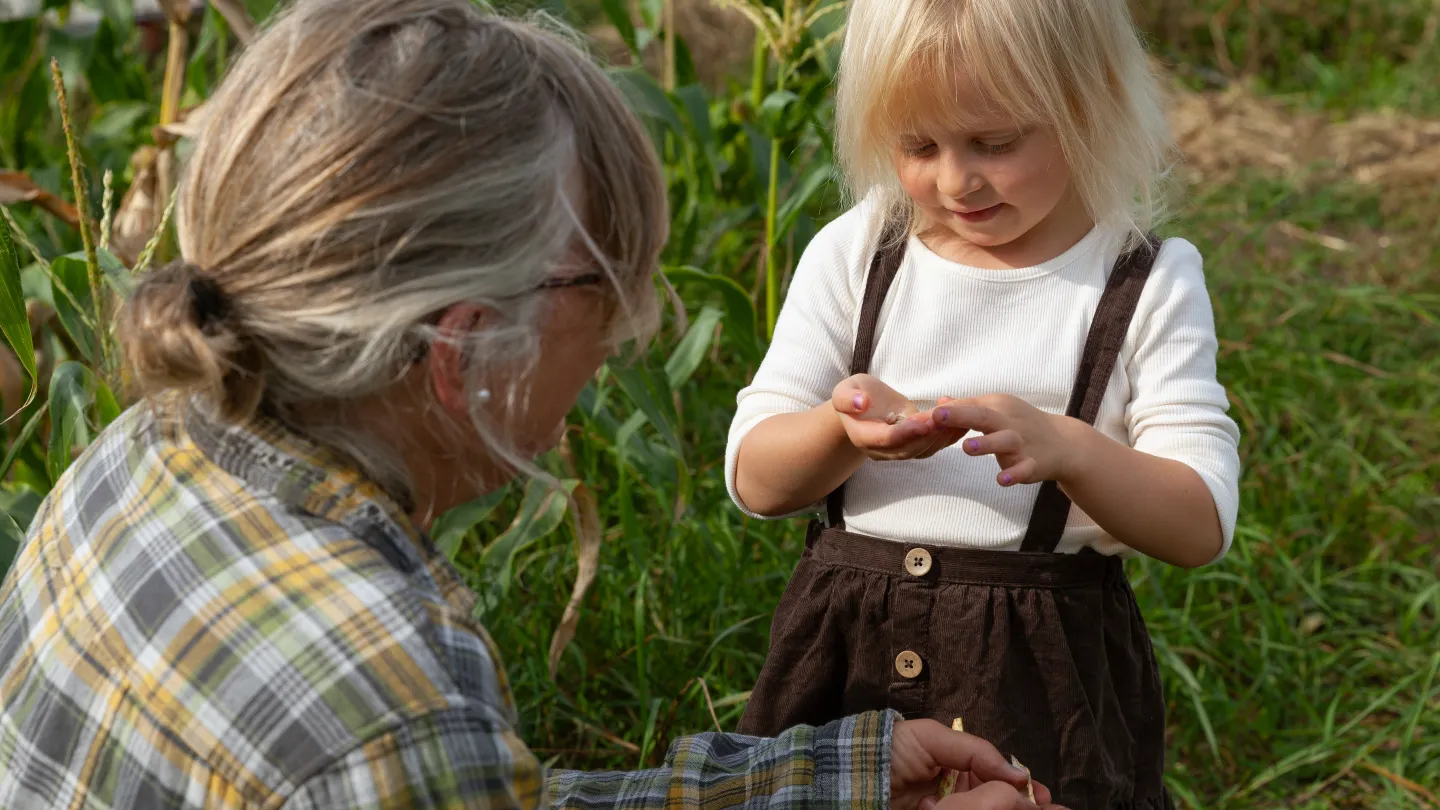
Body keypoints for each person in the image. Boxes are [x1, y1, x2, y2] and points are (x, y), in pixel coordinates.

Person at [0, 1, 1060, 808]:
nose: (619, 342)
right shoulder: (385, 701)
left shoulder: (142, 452)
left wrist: (823, 779)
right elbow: (416, 763)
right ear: (467, 350)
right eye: (605, 295)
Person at [725, 0, 1243, 808]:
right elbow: (758, 478)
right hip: (845, 652)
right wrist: (843, 429)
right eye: (917, 145)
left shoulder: (1146, 282)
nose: (955, 180)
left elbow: (1199, 523)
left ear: (1086, 103)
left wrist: (1074, 451)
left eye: (995, 144)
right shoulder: (858, 254)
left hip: (1041, 676)